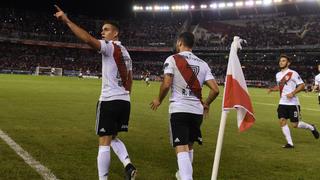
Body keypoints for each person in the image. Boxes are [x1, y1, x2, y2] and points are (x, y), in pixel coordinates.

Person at [54, 5, 136, 180]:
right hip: (124, 101)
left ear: (115, 34)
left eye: (106, 30)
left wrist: (67, 20)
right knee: (113, 137)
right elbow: (130, 80)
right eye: (102, 30)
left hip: (109, 101)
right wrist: (125, 96)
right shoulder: (127, 53)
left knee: (104, 143)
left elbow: (88, 39)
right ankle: (128, 164)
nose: (103, 33)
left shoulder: (110, 47)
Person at [150, 32, 219, 180]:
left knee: (180, 147)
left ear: (180, 43)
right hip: (196, 112)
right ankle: (182, 174)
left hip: (179, 109)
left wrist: (159, 99)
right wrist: (206, 103)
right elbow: (215, 89)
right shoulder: (203, 64)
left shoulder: (172, 59)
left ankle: (186, 177)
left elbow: (167, 83)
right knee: (189, 145)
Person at [268, 54, 319, 148]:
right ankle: (290, 143)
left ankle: (312, 127)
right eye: (280, 61)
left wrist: (293, 93)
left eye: (283, 61)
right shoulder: (278, 75)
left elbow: (302, 85)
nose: (281, 62)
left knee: (295, 124)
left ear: (288, 63)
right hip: (282, 102)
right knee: (282, 121)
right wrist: (273, 89)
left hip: (293, 103)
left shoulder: (293, 73)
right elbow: (281, 87)